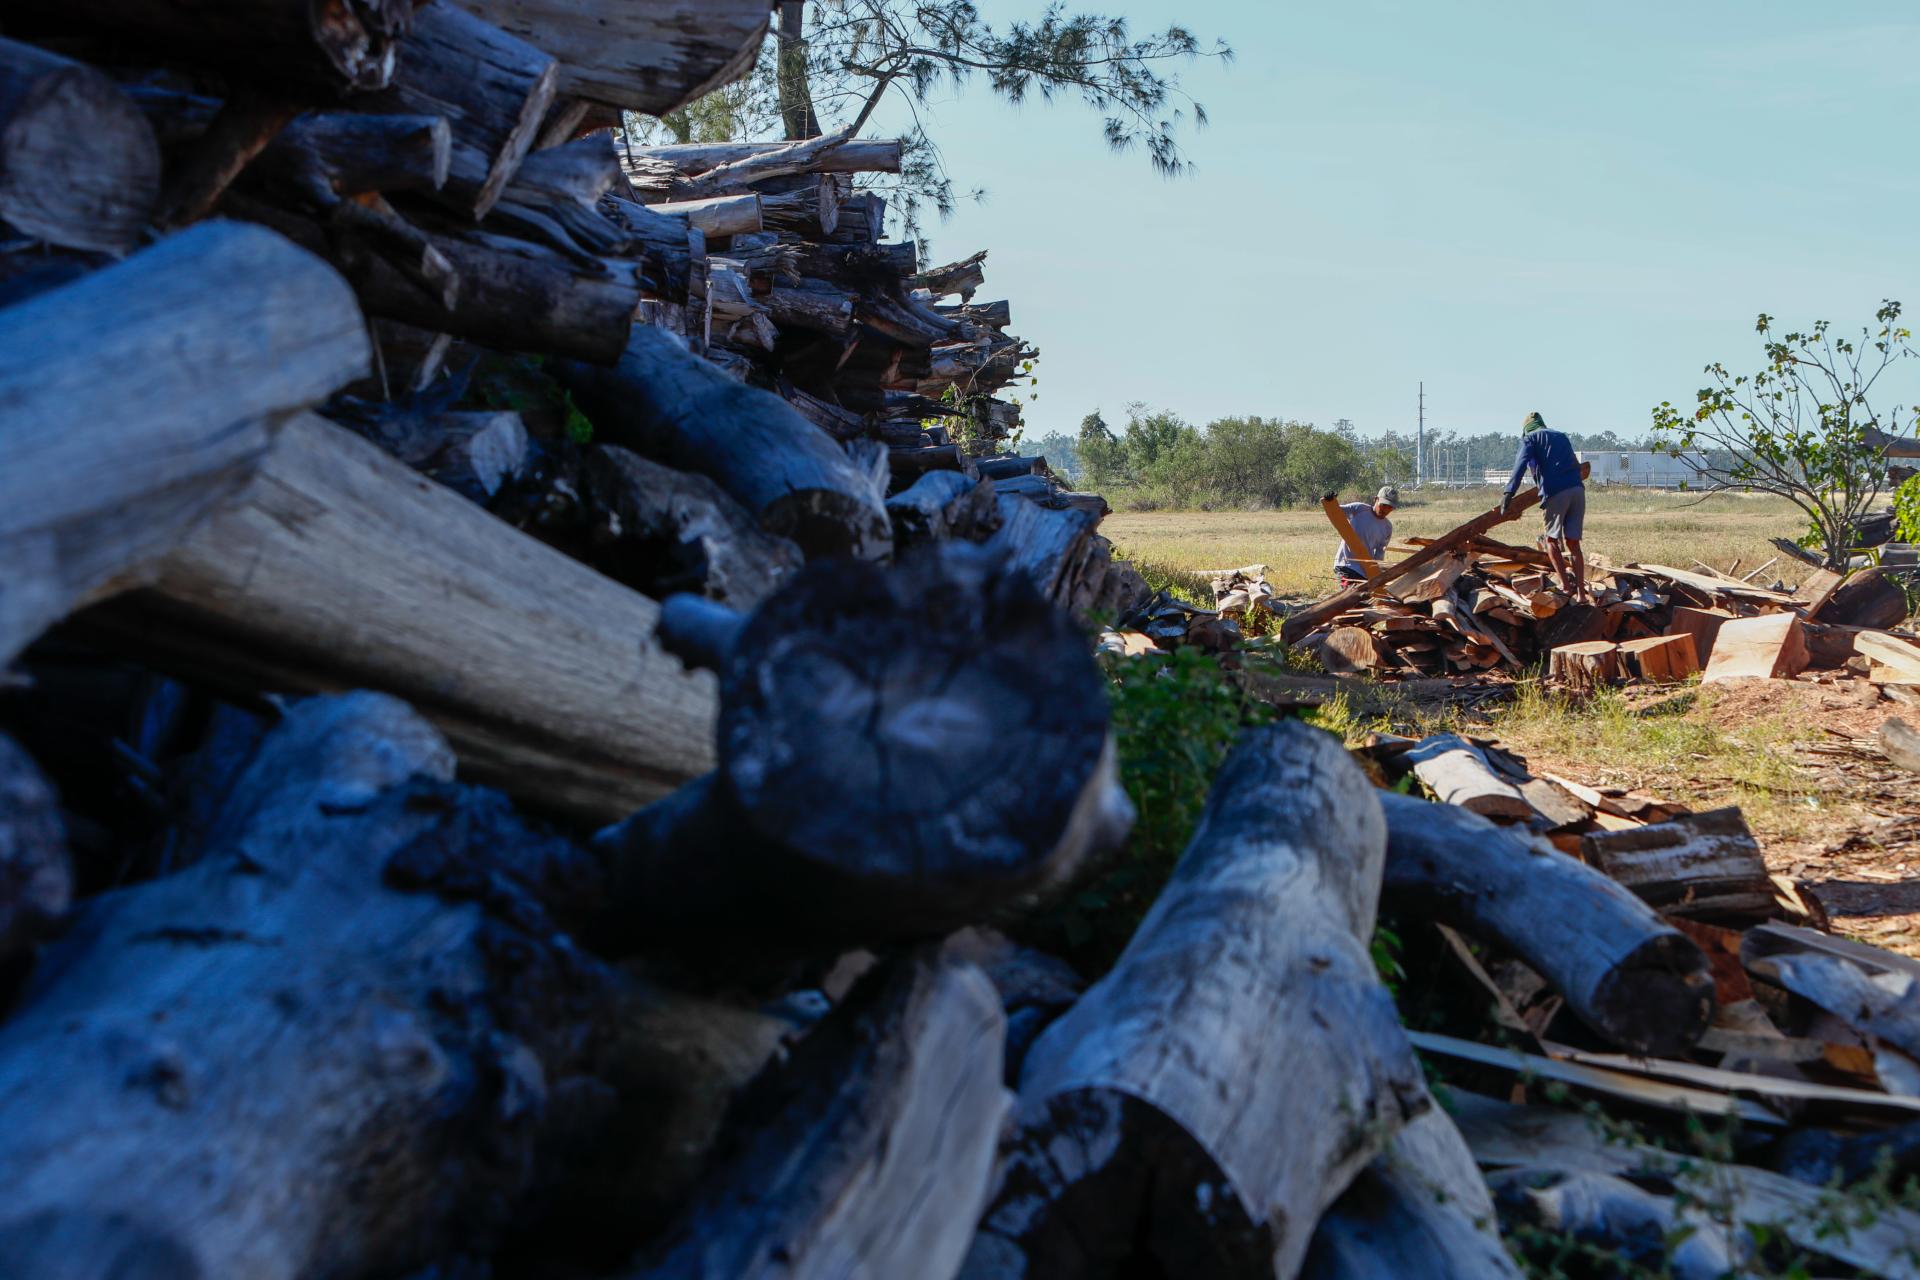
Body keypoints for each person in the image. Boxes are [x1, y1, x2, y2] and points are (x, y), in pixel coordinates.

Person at [1500, 410, 1590, 601]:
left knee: (1551, 541)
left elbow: (1521, 464)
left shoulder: (1529, 439)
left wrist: (1509, 492)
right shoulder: (1561, 436)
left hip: (1556, 493)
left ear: (1526, 429)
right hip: (1577, 490)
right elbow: (1575, 463)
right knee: (1574, 544)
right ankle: (1582, 594)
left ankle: (1566, 587)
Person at [1331, 485, 1398, 586]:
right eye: (1383, 505)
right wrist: (1331, 501)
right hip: (1345, 565)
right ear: (1375, 499)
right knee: (1349, 597)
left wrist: (1377, 574)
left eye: (1390, 507)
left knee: (1363, 599)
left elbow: (1379, 553)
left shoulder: (1387, 527)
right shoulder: (1359, 509)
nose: (1385, 509)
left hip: (1365, 571)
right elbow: (1336, 510)